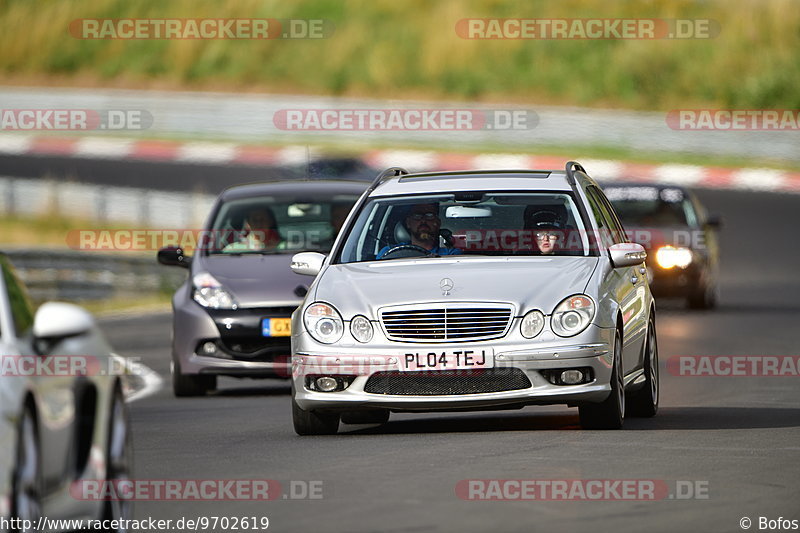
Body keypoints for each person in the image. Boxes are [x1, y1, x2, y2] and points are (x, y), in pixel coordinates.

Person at [377, 203, 461, 259]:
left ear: (438, 223)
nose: (423, 221)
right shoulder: (389, 253)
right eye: (417, 215)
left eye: (429, 215)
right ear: (408, 223)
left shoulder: (451, 254)